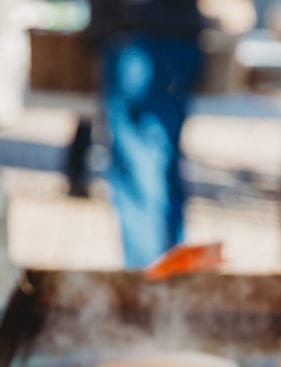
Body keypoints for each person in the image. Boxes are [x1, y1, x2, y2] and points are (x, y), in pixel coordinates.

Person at [87, 1, 206, 268]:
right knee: (161, 163)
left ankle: (149, 277)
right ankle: (170, 270)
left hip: (139, 36)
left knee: (138, 167)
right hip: (169, 35)